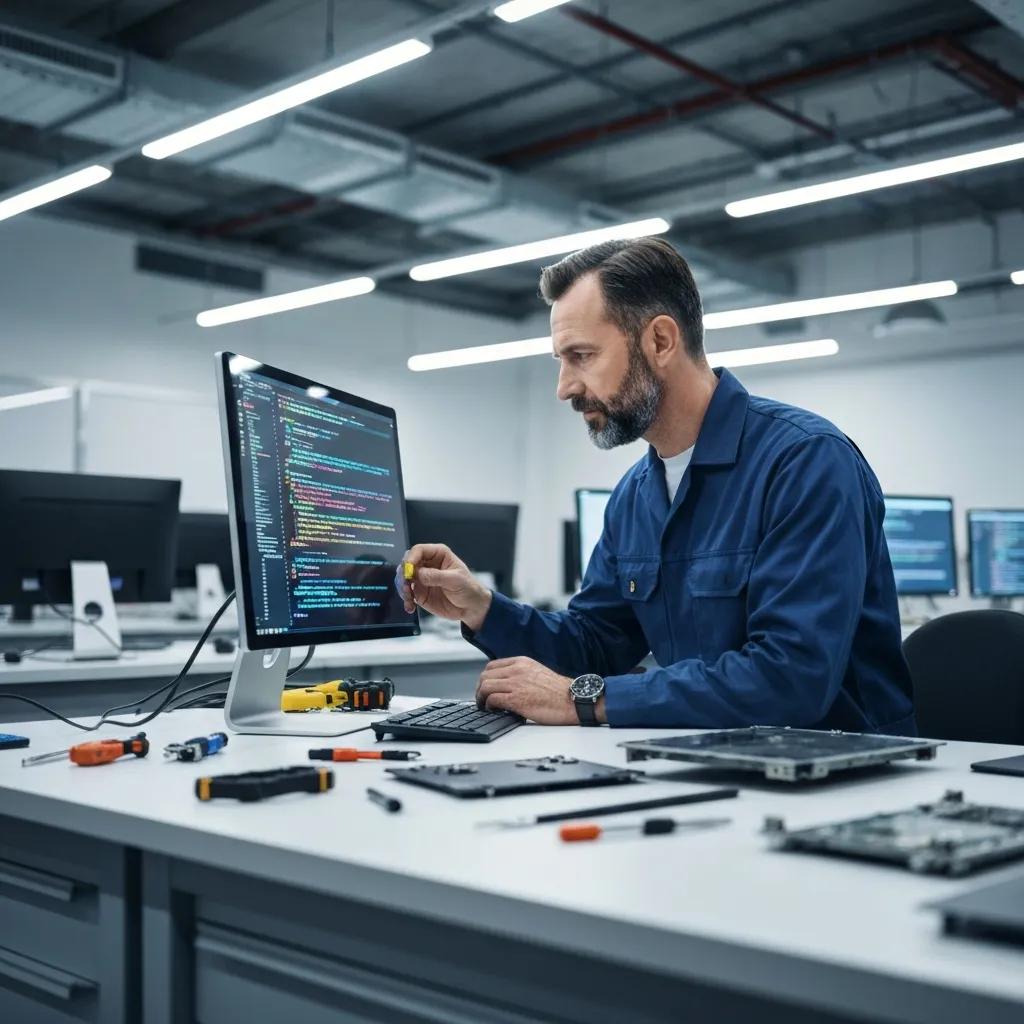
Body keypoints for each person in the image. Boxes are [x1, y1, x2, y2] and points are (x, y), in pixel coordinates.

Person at [401, 237, 916, 734]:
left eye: (581, 356)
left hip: (845, 777)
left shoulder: (805, 462)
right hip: (709, 763)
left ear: (661, 341)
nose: (564, 388)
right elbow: (595, 644)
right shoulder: (636, 496)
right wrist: (481, 607)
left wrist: (583, 699)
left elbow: (790, 677)